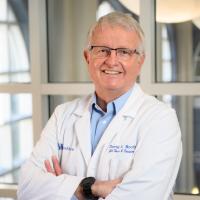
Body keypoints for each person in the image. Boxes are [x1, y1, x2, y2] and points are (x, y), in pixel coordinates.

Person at [17, 12, 182, 200]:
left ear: (140, 61)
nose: (111, 61)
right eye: (102, 50)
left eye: (124, 52)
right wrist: (90, 188)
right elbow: (27, 188)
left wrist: (63, 187)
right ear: (87, 57)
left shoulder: (160, 119)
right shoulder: (62, 115)